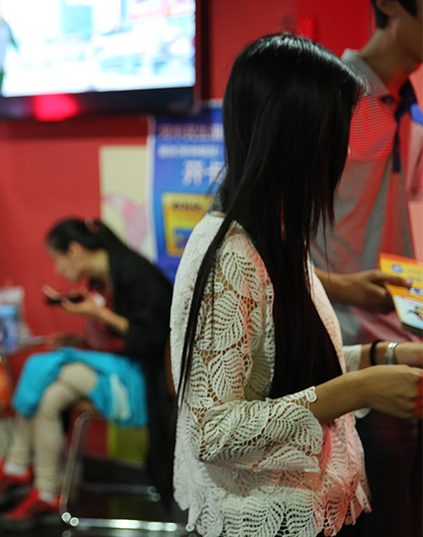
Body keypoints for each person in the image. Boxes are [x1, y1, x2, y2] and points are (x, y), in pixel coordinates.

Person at [171, 33, 423, 537]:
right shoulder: (230, 255)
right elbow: (211, 430)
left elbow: (289, 369)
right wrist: (358, 389)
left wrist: (385, 356)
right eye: (334, 133)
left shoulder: (277, 234)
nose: (343, 152)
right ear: (294, 140)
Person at [310, 0, 423, 537]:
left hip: (403, 334)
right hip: (349, 353)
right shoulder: (331, 97)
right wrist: (344, 287)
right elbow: (246, 230)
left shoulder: (404, 102)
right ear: (389, 2)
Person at [0, 218, 174, 531]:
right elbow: (118, 341)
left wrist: (98, 314)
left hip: (148, 383)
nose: (57, 269)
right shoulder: (103, 278)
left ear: (76, 251)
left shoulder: (133, 274)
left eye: (57, 259)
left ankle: (17, 465)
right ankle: (45, 491)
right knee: (51, 396)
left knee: (49, 369)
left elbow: (153, 338)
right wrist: (80, 339)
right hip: (121, 371)